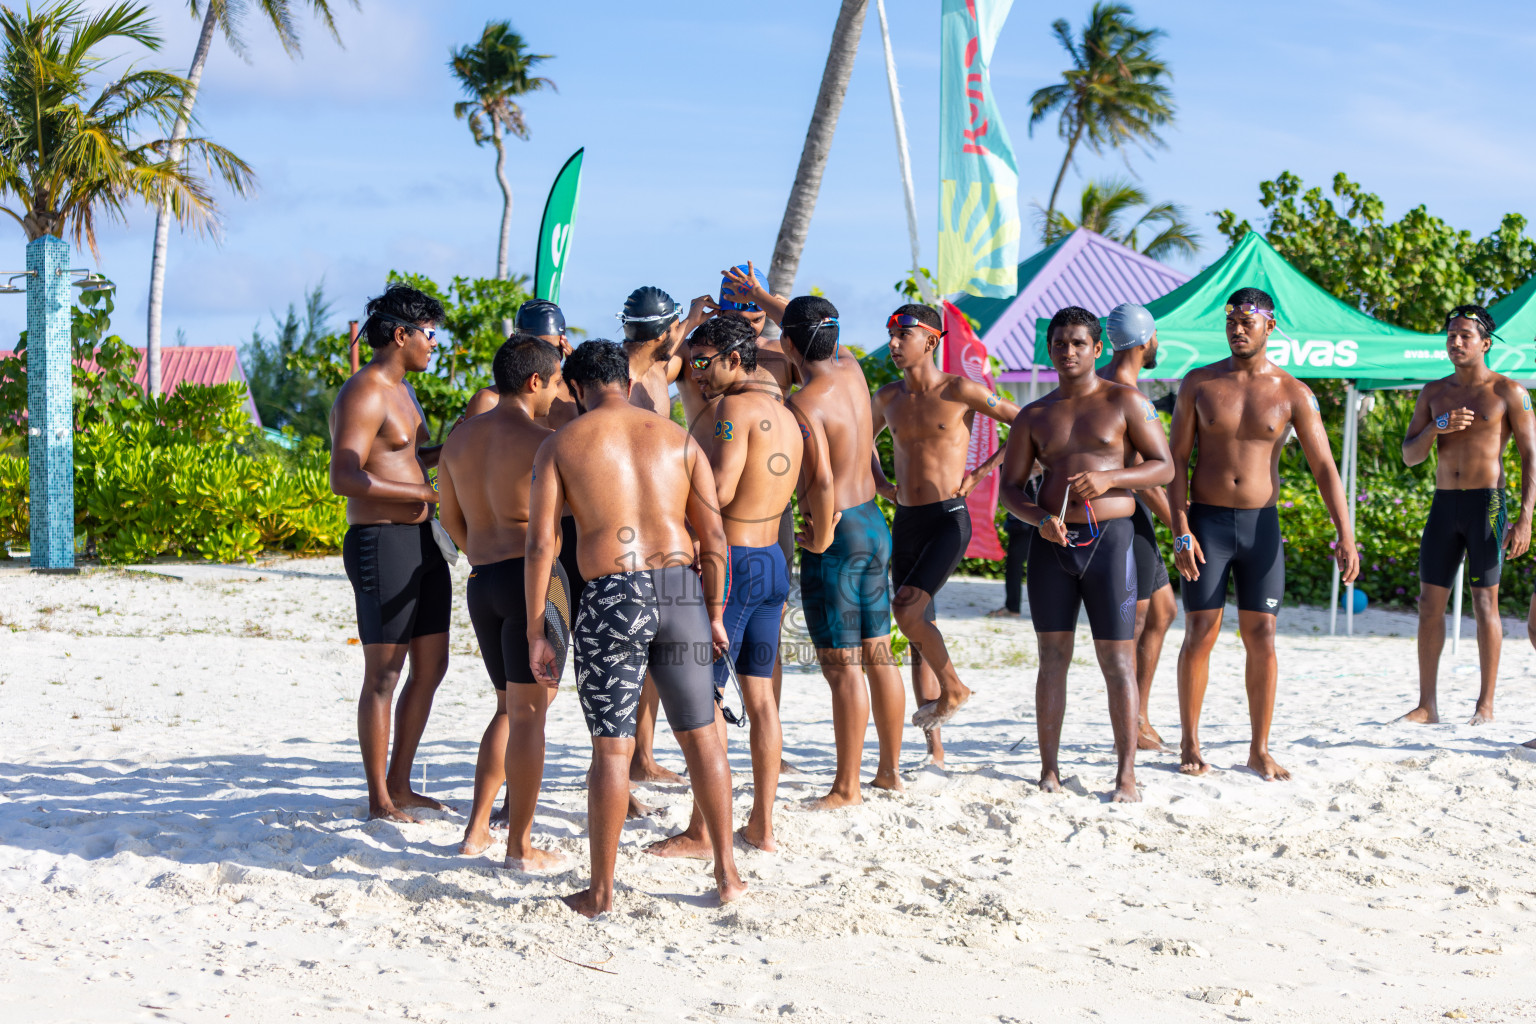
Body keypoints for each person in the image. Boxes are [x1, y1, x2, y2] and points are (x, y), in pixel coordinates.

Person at [524, 340, 745, 917]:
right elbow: (715, 539)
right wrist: (715, 614)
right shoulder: (679, 440)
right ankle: (727, 874)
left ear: (574, 388)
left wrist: (535, 630)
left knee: (613, 750)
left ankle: (601, 893)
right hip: (678, 588)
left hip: (612, 593)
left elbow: (542, 545)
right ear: (626, 379)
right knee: (702, 735)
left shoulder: (560, 444)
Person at [1168, 287, 1360, 781]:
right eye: (1230, 321)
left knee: (1263, 636)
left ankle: (1259, 749)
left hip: (1262, 529)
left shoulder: (1293, 393)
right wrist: (1181, 528)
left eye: (1247, 323)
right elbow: (1175, 464)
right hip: (1207, 525)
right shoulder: (1199, 384)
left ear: (1269, 327)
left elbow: (1324, 468)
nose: (1237, 329)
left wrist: (1347, 534)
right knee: (1199, 633)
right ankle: (1190, 742)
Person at [998, 306, 1174, 803]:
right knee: (1051, 659)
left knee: (1116, 660)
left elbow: (1163, 468)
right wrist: (1038, 519)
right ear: (1049, 349)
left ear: (1098, 349)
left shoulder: (1126, 402)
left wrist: (1111, 477)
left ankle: (1125, 776)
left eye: (1078, 343)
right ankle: (1048, 770)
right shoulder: (1035, 414)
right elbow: (1010, 487)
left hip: (1112, 542)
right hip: (1052, 545)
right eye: (1059, 343)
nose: (1068, 351)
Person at [647, 316, 804, 855]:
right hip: (772, 563)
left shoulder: (733, 412)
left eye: (704, 362)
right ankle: (760, 825)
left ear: (736, 359)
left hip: (733, 563)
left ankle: (699, 830)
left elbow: (724, 487)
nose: (697, 374)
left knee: (707, 698)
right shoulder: (783, 414)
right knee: (761, 699)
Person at [436, 335, 569, 868]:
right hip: (533, 582)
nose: (558, 394)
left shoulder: (459, 441)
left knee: (507, 710)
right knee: (531, 715)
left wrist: (483, 554)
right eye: (556, 382)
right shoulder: (544, 441)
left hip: (483, 580)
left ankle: (476, 831)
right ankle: (519, 846)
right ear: (535, 381)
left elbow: (449, 520)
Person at [871, 303, 1020, 764]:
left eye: (904, 336)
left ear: (932, 341)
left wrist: (983, 472)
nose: (894, 344)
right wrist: (880, 484)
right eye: (891, 334)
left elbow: (1027, 424)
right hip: (908, 520)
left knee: (906, 610)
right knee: (917, 630)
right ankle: (934, 744)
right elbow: (860, 441)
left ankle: (954, 687)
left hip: (947, 518)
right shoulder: (888, 397)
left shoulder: (960, 389)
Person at [328, 285, 451, 823]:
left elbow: (407, 454)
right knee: (384, 672)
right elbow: (345, 476)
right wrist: (421, 493)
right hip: (382, 541)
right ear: (401, 335)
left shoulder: (405, 389)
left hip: (424, 542)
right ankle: (379, 798)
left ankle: (401, 783)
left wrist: (460, 446)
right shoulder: (365, 391)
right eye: (429, 335)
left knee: (433, 663)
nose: (433, 346)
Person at [782, 295, 907, 806]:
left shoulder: (804, 403)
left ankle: (846, 787)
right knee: (879, 651)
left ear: (788, 344)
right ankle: (890, 772)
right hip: (875, 524)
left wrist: (819, 537)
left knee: (842, 666)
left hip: (837, 529)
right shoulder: (852, 367)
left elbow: (822, 476)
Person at [1400, 304, 1534, 725]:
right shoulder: (1433, 393)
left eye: (1465, 336)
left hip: (1488, 505)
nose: (1455, 343)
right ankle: (1427, 705)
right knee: (1428, 604)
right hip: (1445, 503)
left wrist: (1526, 517)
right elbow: (1409, 456)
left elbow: (1532, 457)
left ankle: (1485, 705)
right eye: (1451, 335)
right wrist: (1436, 427)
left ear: (1485, 343)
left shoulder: (1508, 391)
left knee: (1484, 603)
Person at [1099, 302, 1178, 751]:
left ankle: (1139, 713)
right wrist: (1180, 527)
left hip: (1131, 511)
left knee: (1163, 611)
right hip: (1123, 513)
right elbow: (1145, 478)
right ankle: (1131, 721)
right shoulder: (1124, 392)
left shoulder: (1114, 382)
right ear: (1147, 341)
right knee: (1137, 619)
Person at [462, 300, 577, 428]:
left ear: (564, 349)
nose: (547, 360)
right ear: (514, 343)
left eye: (554, 351)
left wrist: (584, 375)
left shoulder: (579, 396)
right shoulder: (488, 401)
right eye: (538, 350)